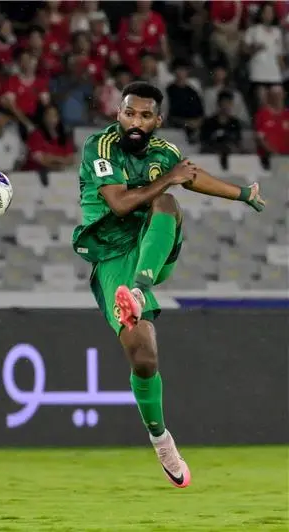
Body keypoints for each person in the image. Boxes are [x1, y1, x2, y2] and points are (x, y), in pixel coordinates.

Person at [72, 82, 265, 488]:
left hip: (149, 248)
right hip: (110, 255)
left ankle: (139, 292)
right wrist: (172, 178)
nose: (136, 122)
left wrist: (243, 193)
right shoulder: (100, 148)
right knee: (143, 357)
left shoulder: (165, 154)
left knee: (167, 202)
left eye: (145, 116)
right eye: (129, 113)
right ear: (118, 114)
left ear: (157, 121)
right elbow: (121, 203)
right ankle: (161, 439)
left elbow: (190, 178)